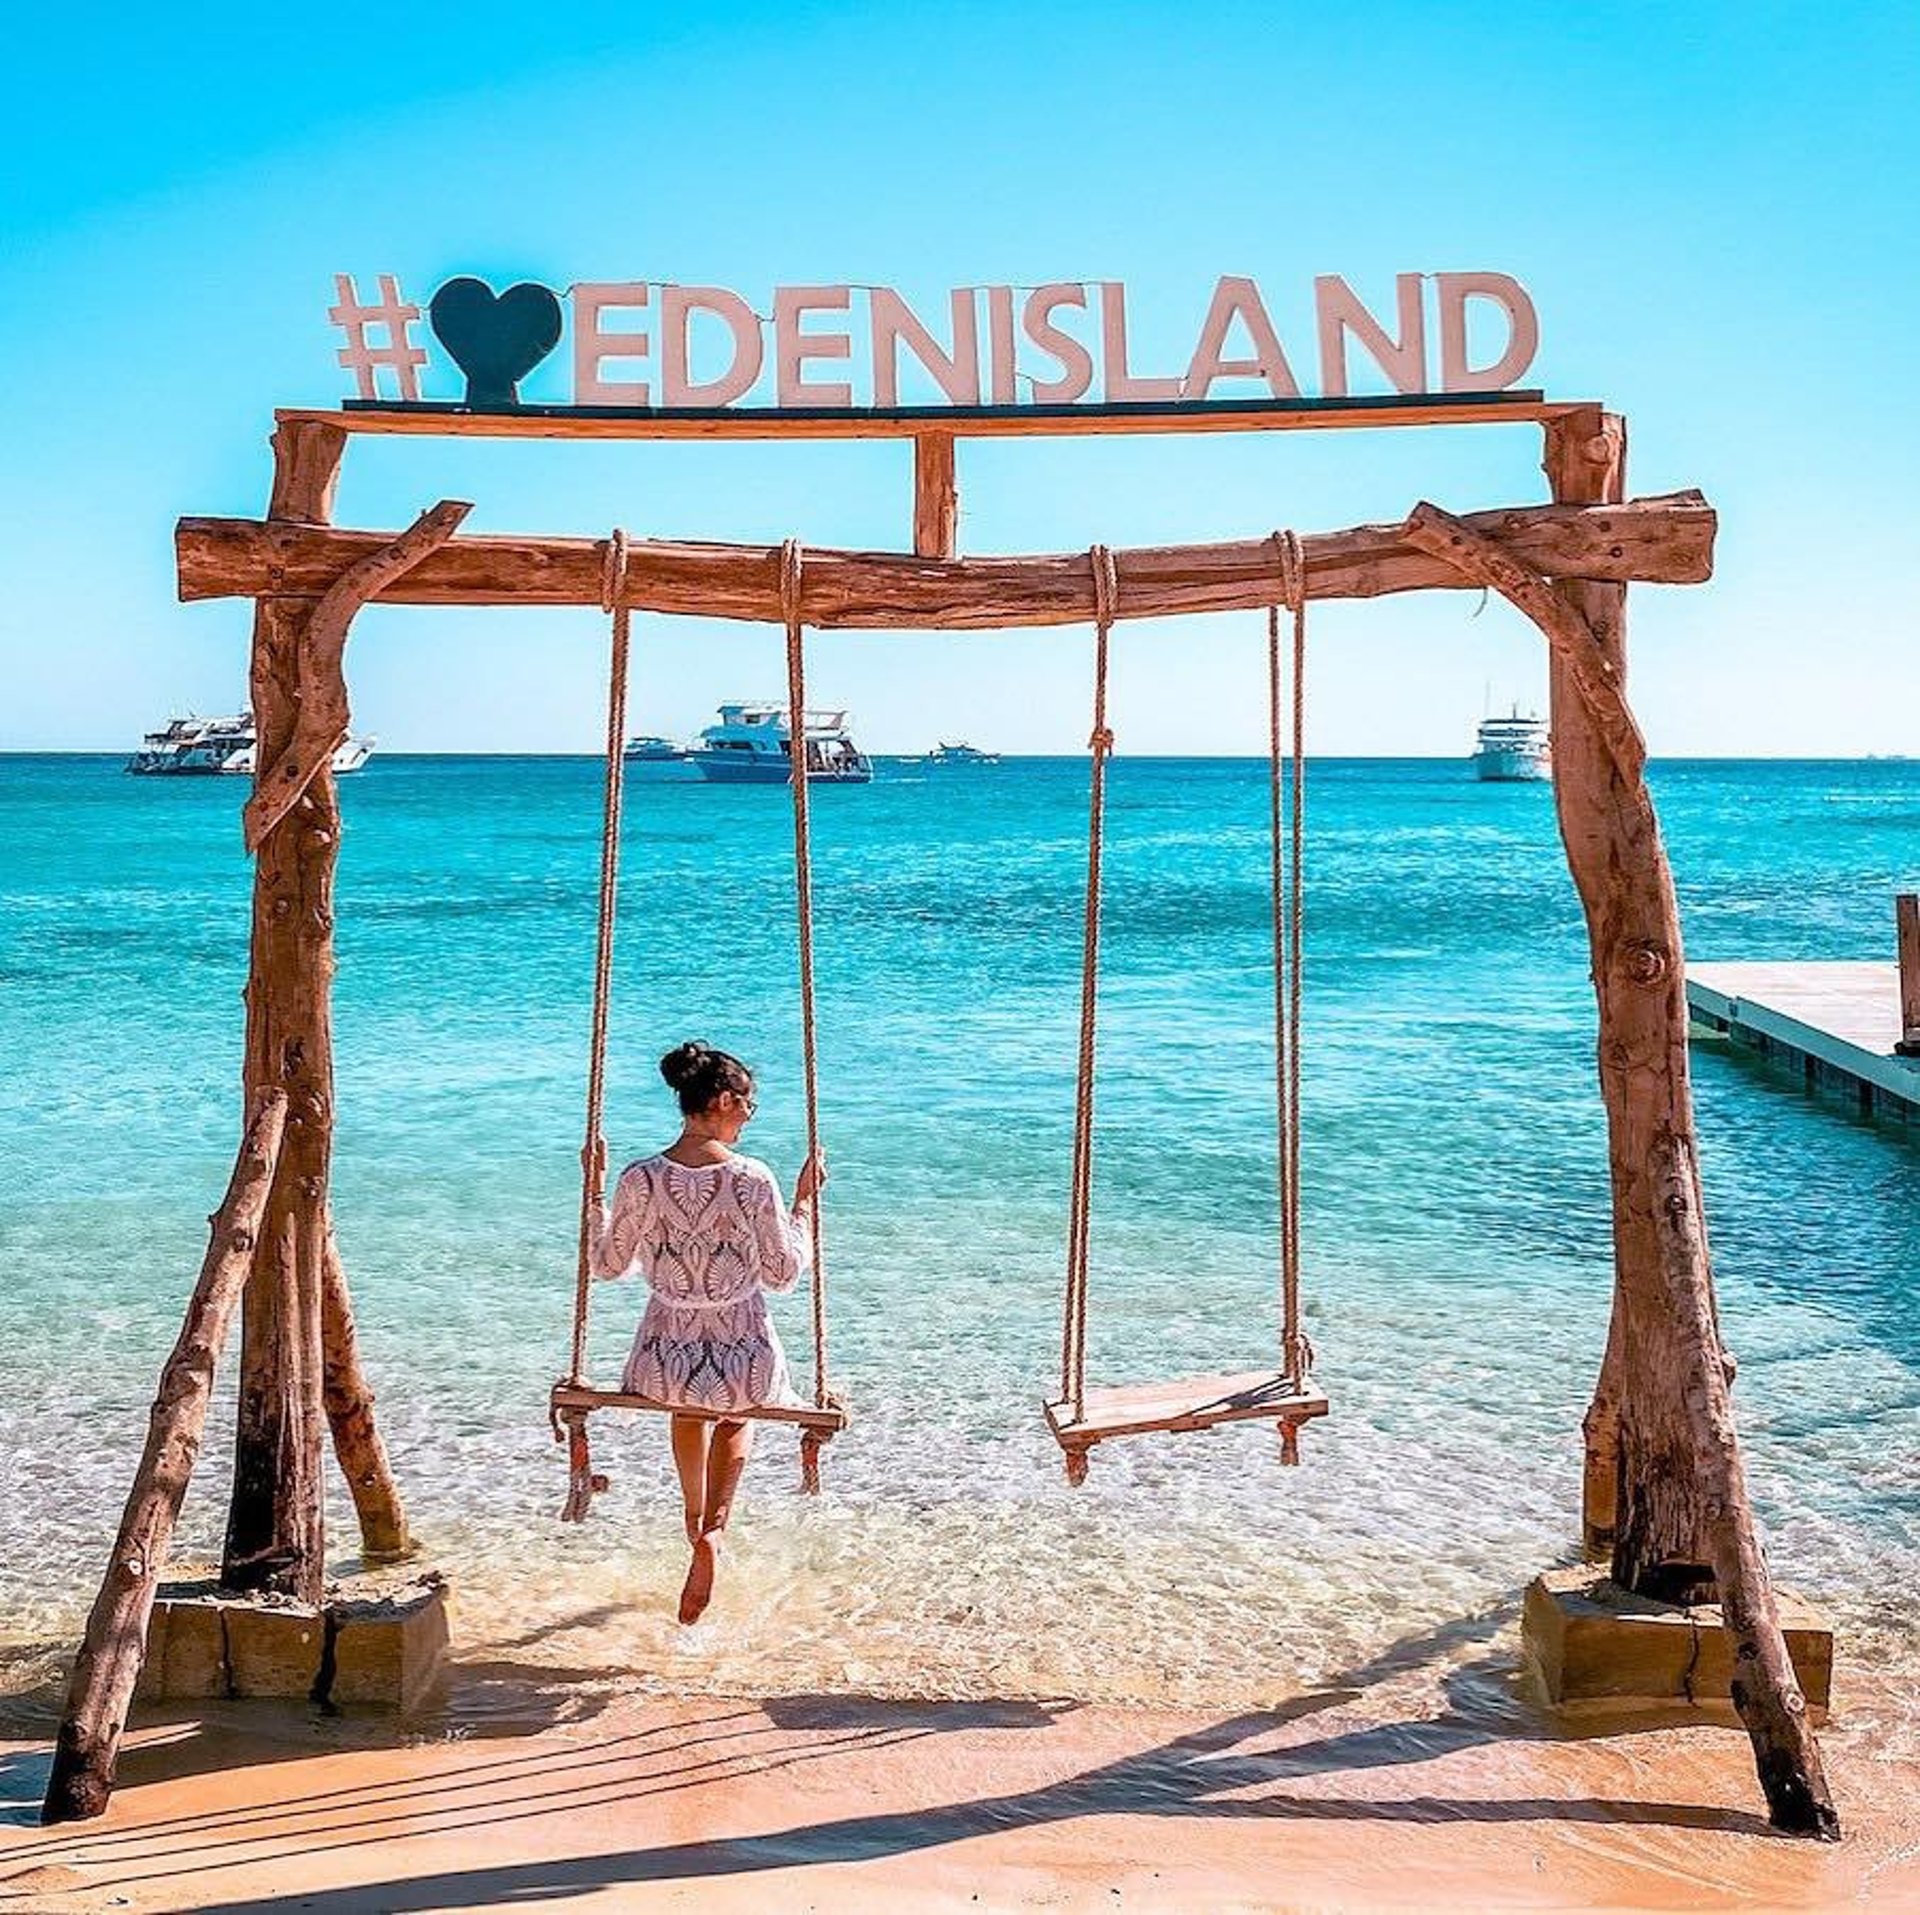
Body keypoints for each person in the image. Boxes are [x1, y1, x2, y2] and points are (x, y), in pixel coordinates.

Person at [592, 1040, 826, 1624]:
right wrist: (803, 1204)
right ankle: (715, 1531)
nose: (750, 1115)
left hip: (663, 1358)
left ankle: (691, 1521)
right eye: (748, 1104)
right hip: (742, 1352)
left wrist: (594, 1193)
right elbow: (781, 1275)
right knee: (733, 1413)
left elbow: (607, 1266)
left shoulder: (639, 1177)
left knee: (688, 1408)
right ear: (723, 1100)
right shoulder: (752, 1179)